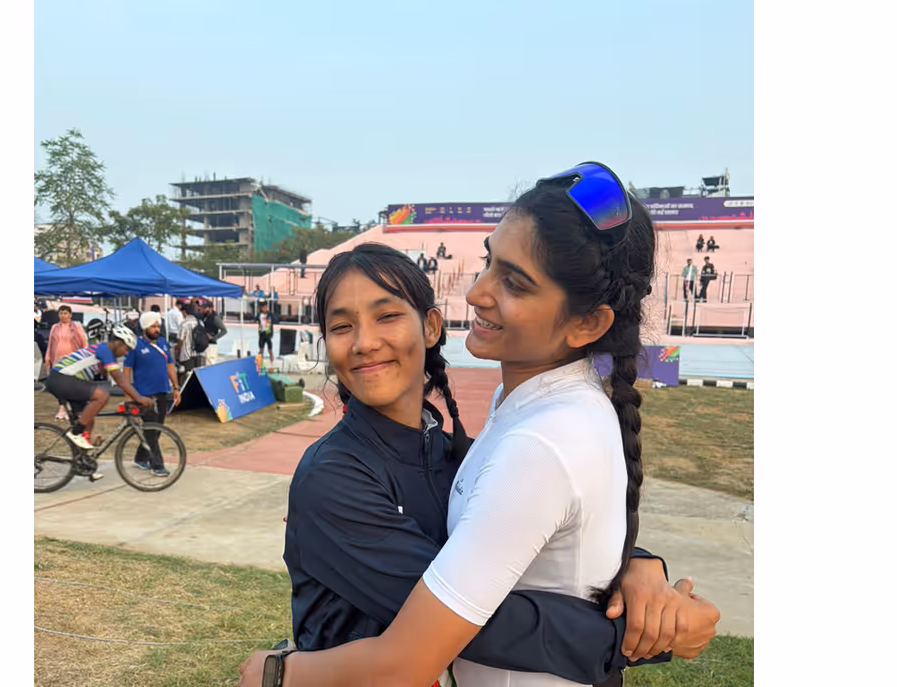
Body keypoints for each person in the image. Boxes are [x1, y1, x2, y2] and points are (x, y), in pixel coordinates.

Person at [239, 163, 719, 686]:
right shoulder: (338, 476)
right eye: (340, 326)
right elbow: (475, 626)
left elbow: (527, 542)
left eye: (513, 281)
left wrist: (635, 564)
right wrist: (634, 632)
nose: (476, 292)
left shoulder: (491, 442)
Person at [44, 325, 153, 481]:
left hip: (66, 380)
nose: (126, 353)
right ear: (118, 343)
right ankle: (75, 432)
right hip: (61, 378)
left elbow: (119, 380)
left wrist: (132, 398)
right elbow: (120, 380)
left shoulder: (105, 352)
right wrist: (140, 398)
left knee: (89, 419)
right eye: (127, 348)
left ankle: (85, 463)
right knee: (102, 395)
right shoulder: (104, 350)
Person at [123, 312, 179, 477]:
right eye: (153, 326)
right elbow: (126, 372)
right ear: (145, 327)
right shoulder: (135, 346)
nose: (157, 329)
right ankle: (157, 465)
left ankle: (140, 458)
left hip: (162, 392)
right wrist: (128, 396)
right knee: (150, 431)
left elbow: (170, 366)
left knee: (157, 429)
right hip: (144, 395)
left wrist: (176, 387)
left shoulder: (163, 343)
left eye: (158, 326)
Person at [45, 305, 89, 421]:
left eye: (65, 313)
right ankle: (61, 407)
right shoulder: (55, 327)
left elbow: (84, 342)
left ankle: (74, 407)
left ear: (70, 315)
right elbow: (50, 343)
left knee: (71, 384)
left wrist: (85, 356)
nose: (62, 316)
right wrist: (47, 357)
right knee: (59, 384)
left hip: (72, 359)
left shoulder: (76, 327)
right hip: (57, 359)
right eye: (60, 313)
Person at [175, 303, 201, 374]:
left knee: (185, 374)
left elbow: (180, 340)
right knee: (197, 374)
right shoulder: (200, 323)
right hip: (199, 353)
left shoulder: (184, 324)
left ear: (184, 312)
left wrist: (176, 348)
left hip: (186, 354)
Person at [201, 301, 227, 365]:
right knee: (204, 362)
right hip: (203, 343)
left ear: (211, 308)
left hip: (211, 345)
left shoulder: (215, 317)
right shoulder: (204, 316)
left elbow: (224, 330)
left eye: (205, 308)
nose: (203, 309)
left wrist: (213, 338)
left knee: (210, 362)